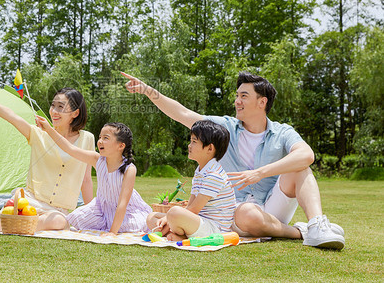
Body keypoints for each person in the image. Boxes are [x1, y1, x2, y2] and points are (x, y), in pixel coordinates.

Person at [121, 71, 345, 250]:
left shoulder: (282, 132)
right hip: (234, 212)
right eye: (237, 96)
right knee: (244, 212)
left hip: (272, 206)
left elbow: (306, 155)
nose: (237, 101)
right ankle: (299, 231)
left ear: (262, 102)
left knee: (300, 167)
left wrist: (259, 173)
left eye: (244, 96)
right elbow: (184, 114)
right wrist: (148, 91)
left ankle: (316, 225)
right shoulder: (225, 127)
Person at [0, 82, 95, 233]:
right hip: (28, 202)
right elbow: (10, 115)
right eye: (53, 106)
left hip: (56, 210)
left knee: (59, 221)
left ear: (75, 113)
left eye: (60, 107)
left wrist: (91, 217)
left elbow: (86, 180)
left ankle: (22, 224)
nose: (54, 111)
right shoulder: (38, 134)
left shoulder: (87, 139)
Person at [36, 116, 152, 235]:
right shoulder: (97, 160)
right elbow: (70, 149)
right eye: (100, 137)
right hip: (102, 209)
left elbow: (122, 204)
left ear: (121, 146)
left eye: (106, 138)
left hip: (126, 211)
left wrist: (112, 232)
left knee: (130, 226)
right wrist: (49, 129)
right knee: (76, 216)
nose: (100, 141)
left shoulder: (129, 169)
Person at [147, 120, 236, 241]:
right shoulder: (200, 171)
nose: (189, 145)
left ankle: (180, 234)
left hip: (214, 229)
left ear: (210, 148)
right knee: (151, 217)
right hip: (198, 221)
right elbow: (190, 206)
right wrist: (169, 218)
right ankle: (180, 234)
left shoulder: (214, 175)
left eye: (194, 141)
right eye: (191, 141)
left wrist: (169, 218)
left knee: (174, 213)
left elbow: (193, 210)